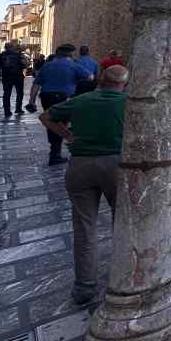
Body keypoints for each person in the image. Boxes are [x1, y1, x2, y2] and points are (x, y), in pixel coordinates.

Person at [38, 64, 129, 305]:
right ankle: (123, 278)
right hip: (115, 165)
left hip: (80, 166)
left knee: (84, 226)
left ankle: (84, 287)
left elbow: (45, 116)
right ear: (124, 84)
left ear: (101, 80)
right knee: (122, 224)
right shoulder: (128, 102)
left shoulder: (81, 100)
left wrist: (67, 135)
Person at [32, 45, 93, 165]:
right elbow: (90, 77)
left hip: (46, 97)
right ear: (70, 55)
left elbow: (36, 84)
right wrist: (76, 80)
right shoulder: (73, 65)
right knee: (61, 124)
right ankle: (57, 153)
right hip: (63, 98)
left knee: (51, 122)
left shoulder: (47, 66)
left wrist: (31, 100)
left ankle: (55, 152)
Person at [0, 42, 29, 118]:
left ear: (5, 47)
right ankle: (18, 108)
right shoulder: (18, 55)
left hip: (6, 76)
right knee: (20, 93)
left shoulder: (1, 55)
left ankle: (7, 111)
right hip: (18, 76)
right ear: (12, 47)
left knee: (6, 94)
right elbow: (25, 64)